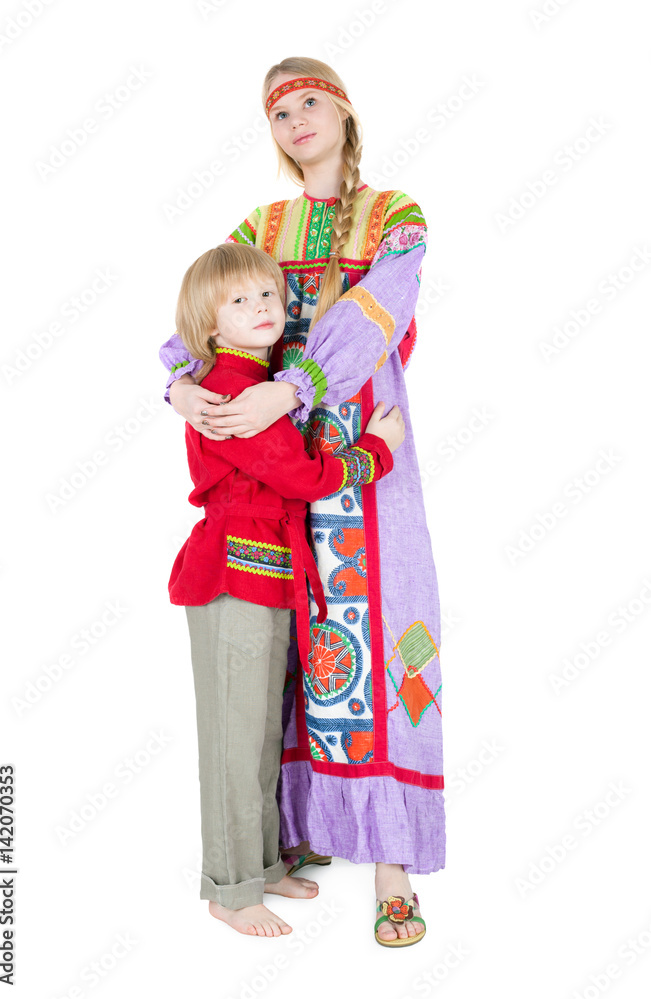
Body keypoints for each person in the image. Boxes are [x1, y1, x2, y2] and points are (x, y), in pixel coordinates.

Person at [160, 56, 443, 947]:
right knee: (282, 649)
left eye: (310, 103)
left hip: (359, 444)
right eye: (279, 114)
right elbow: (206, 306)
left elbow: (378, 310)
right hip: (271, 455)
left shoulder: (393, 213)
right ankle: (288, 837)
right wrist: (178, 380)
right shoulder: (262, 225)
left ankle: (390, 860)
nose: (296, 123)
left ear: (345, 111)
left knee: (380, 626)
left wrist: (297, 385)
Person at [169, 241, 404, 938]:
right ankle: (230, 889)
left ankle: (265, 864)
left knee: (264, 734)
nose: (261, 308)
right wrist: (376, 451)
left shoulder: (261, 382)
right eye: (238, 301)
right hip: (231, 577)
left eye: (267, 294)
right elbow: (301, 478)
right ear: (210, 325)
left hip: (269, 577)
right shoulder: (230, 390)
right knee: (234, 741)